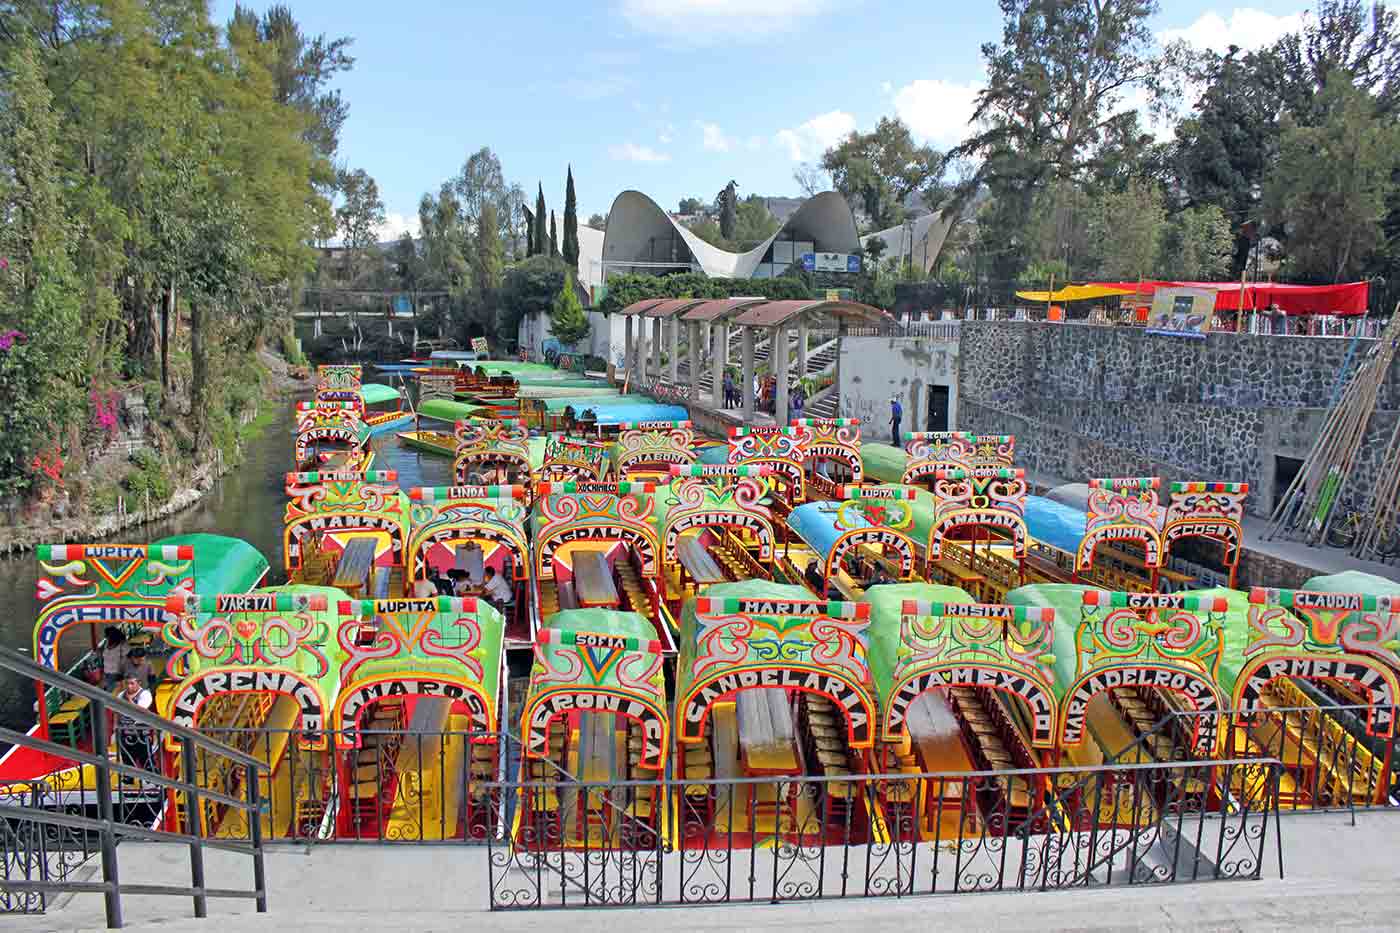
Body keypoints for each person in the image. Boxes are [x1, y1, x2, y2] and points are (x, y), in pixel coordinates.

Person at [115, 675, 156, 779]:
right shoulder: (121, 695)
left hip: (141, 730)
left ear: (139, 683)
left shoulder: (145, 694)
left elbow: (140, 710)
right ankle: (129, 777)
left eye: (132, 683)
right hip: (126, 730)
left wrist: (129, 700)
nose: (129, 686)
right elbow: (117, 711)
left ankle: (152, 777)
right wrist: (115, 727)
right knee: (127, 755)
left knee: (145, 756)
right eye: (127, 683)